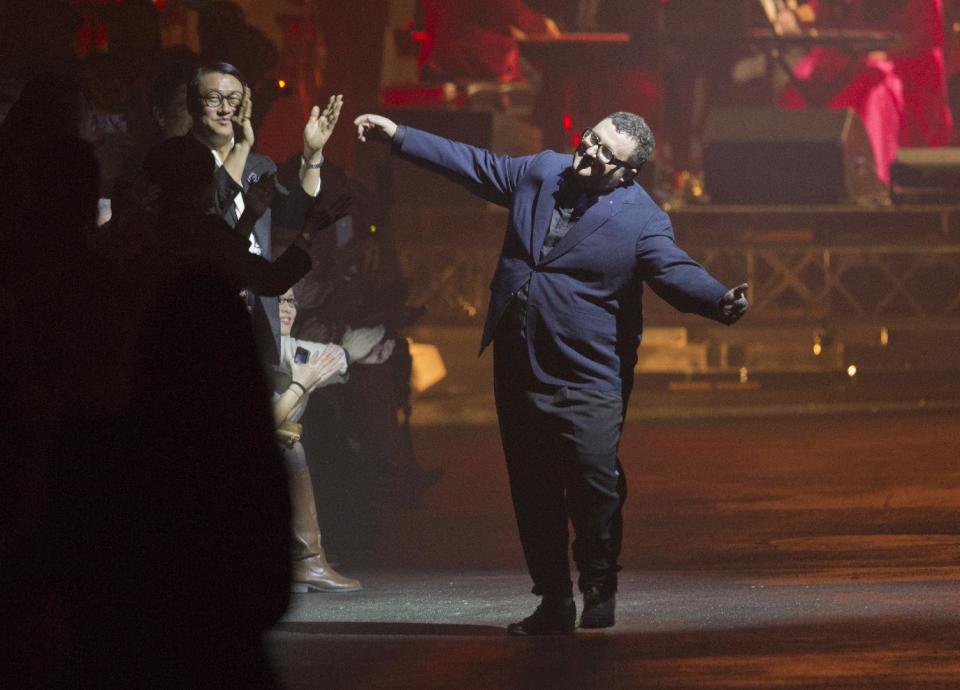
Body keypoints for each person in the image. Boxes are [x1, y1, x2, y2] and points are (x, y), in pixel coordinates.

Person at [354, 110, 749, 634]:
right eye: (592, 139)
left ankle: (599, 581)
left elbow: (673, 270)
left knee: (594, 483)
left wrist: (717, 299)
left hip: (587, 374)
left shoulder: (641, 218)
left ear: (627, 173)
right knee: (532, 487)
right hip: (518, 363)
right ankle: (554, 600)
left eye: (608, 154)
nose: (591, 152)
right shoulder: (542, 171)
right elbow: (476, 165)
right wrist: (401, 136)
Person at [188, 60, 342, 364]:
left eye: (233, 99)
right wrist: (241, 148)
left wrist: (312, 155)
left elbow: (296, 211)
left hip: (259, 318)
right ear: (194, 104)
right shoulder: (181, 159)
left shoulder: (260, 166)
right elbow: (212, 210)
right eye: (214, 98)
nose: (225, 109)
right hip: (205, 316)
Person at [273, 286, 384, 592]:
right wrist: (300, 384)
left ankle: (306, 560)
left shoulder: (281, 343)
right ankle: (306, 560)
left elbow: (310, 357)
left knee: (294, 443)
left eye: (291, 302)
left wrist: (352, 355)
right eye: (278, 301)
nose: (286, 309)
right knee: (290, 444)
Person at [779, 0, 953, 183]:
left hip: (904, 68)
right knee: (797, 88)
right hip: (849, 61)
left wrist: (874, 54)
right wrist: (793, 17)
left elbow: (925, 38)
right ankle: (799, 178)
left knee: (872, 89)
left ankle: (871, 181)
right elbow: (820, 13)